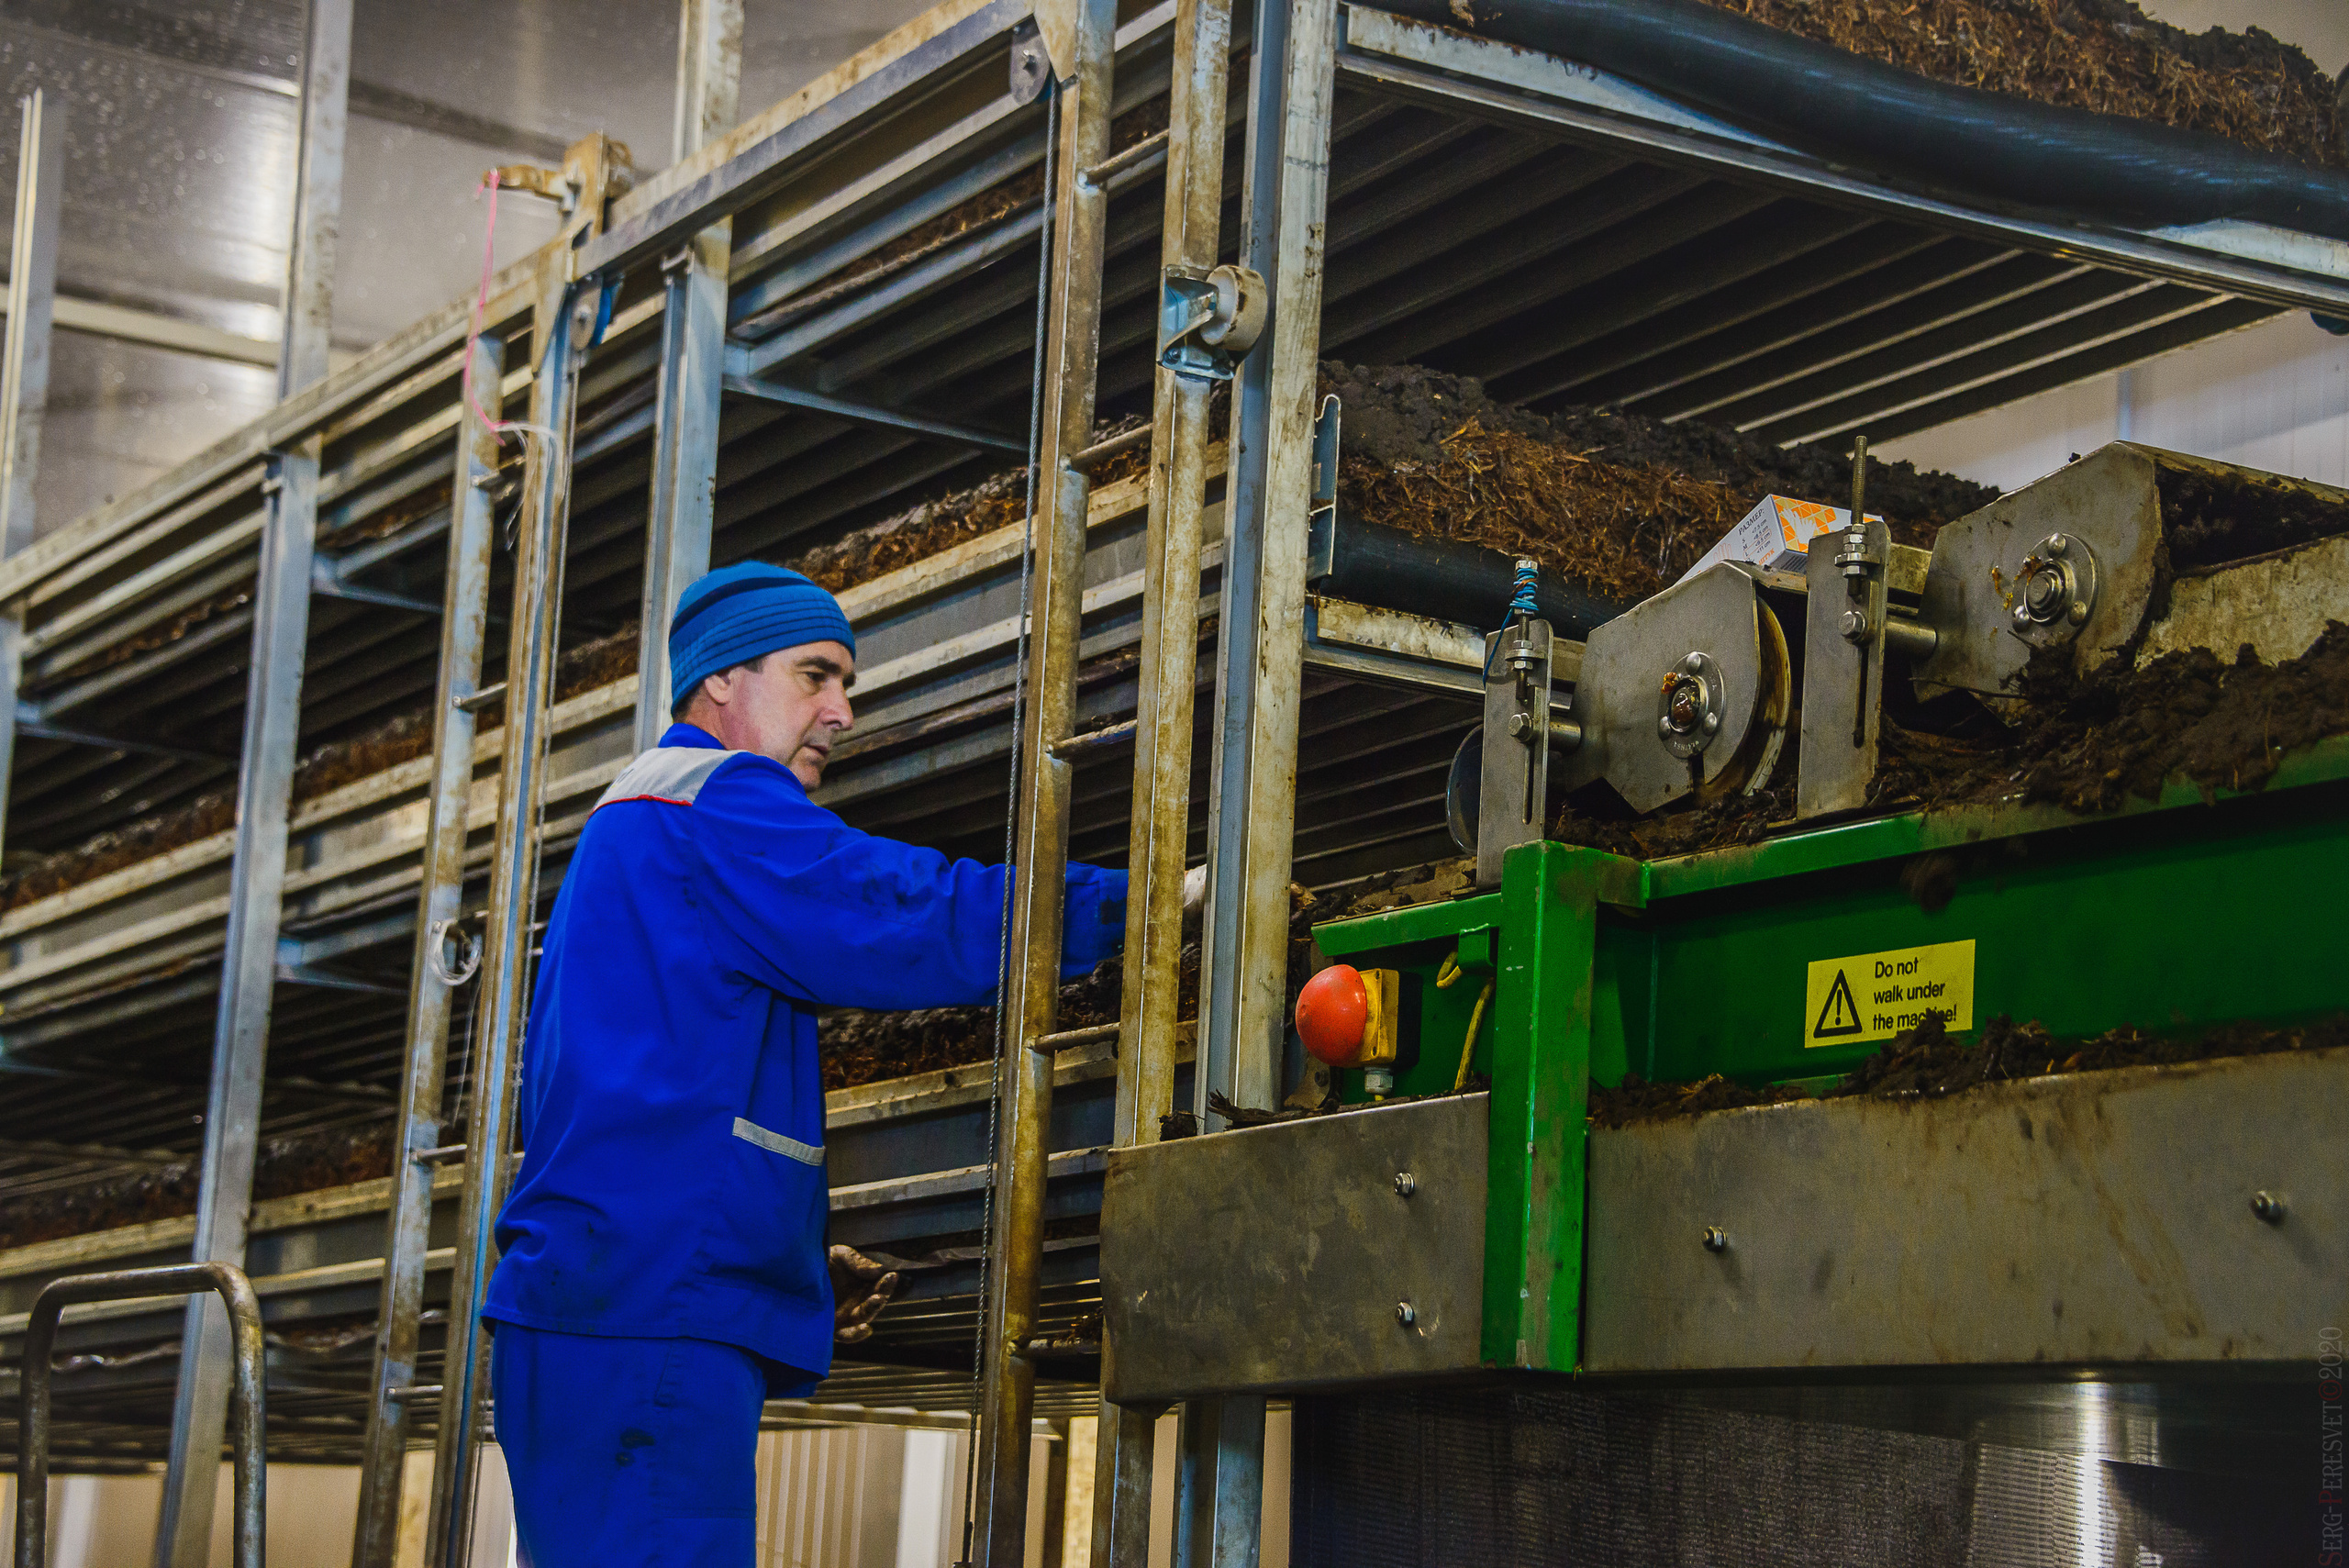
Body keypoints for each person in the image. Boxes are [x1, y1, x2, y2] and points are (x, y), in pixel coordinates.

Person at [484, 562, 1128, 1565]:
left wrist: (775, 1234)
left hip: (604, 1302)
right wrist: (1132, 906)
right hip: (650, 1307)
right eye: (815, 674)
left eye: (847, 682)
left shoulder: (635, 822)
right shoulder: (716, 801)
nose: (843, 709)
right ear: (720, 682)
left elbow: (659, 1088)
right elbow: (893, 906)